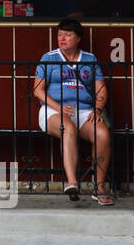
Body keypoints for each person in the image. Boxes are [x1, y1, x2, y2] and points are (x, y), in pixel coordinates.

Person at [32, 18, 113, 205]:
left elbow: (101, 90)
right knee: (67, 127)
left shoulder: (89, 59)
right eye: (60, 34)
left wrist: (98, 109)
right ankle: (72, 182)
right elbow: (38, 90)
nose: (62, 38)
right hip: (53, 110)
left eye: (68, 35)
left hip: (84, 110)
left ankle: (99, 187)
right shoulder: (49, 58)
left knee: (102, 134)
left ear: (78, 38)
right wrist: (58, 107)